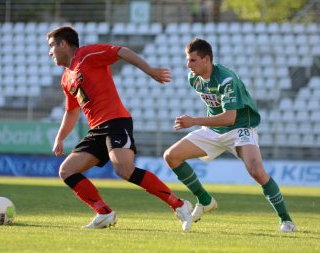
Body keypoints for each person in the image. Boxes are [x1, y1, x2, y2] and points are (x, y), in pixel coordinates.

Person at [46, 26, 193, 231]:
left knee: (123, 169)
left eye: (52, 45)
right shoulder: (66, 78)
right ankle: (104, 213)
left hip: (116, 121)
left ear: (63, 44)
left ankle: (179, 205)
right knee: (67, 170)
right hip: (96, 130)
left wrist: (150, 70)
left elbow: (121, 51)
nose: (49, 51)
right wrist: (60, 138)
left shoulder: (87, 55)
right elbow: (71, 112)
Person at [163, 38, 297, 232]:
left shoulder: (226, 79)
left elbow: (229, 118)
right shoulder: (194, 79)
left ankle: (286, 220)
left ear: (206, 59)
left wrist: (194, 121)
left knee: (256, 171)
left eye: (192, 60)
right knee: (171, 156)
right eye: (187, 60)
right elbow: (215, 109)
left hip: (240, 128)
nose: (188, 65)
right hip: (214, 130)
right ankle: (205, 200)